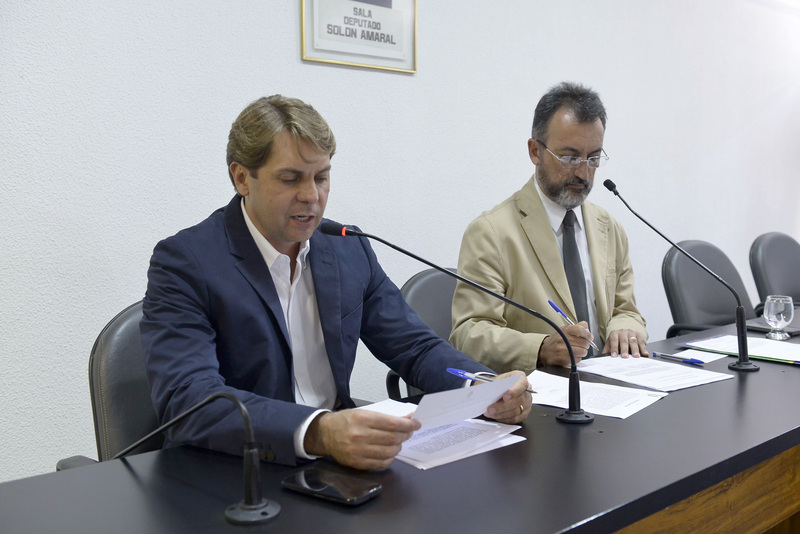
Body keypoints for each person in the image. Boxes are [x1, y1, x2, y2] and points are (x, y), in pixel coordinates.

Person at [141, 95, 532, 471]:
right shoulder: (187, 263)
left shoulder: (346, 248)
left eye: (322, 177)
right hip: (237, 471)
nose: (311, 196)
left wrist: (483, 387)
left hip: (335, 467)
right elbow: (189, 399)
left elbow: (414, 347)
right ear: (242, 178)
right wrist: (318, 431)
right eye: (290, 179)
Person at [450, 82, 648, 374]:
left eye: (593, 158)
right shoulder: (491, 232)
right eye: (569, 157)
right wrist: (540, 348)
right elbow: (469, 334)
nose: (583, 172)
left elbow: (626, 310)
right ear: (535, 151)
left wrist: (625, 328)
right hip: (536, 390)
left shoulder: (608, 227)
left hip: (608, 383)